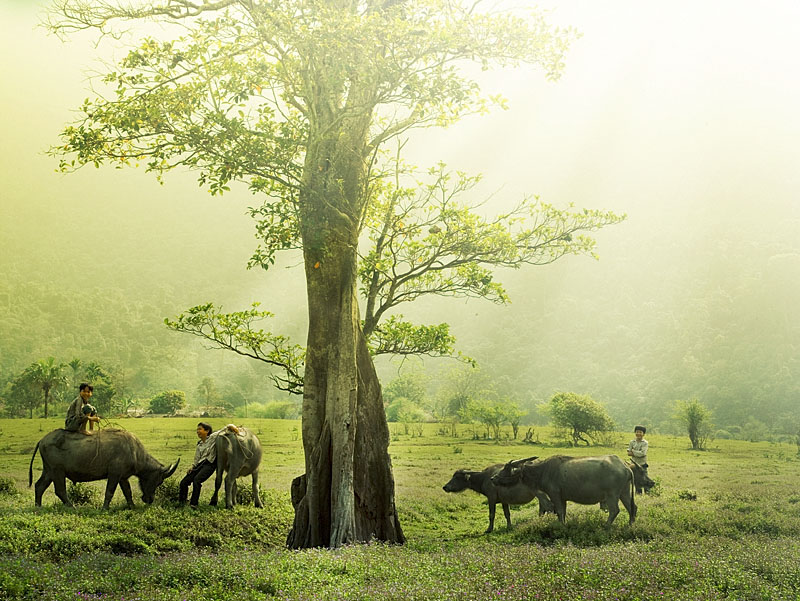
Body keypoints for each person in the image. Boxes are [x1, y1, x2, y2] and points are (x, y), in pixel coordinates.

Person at [179, 422, 241, 507]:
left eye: (200, 429)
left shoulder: (212, 438)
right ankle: (182, 501)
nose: (197, 431)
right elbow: (197, 458)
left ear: (207, 431)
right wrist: (192, 467)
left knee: (197, 480)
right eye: (197, 429)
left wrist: (232, 426)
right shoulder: (199, 444)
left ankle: (194, 504)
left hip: (209, 465)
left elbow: (223, 430)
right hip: (199, 465)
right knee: (184, 482)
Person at [627, 425, 649, 494]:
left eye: (640, 432)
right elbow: (628, 453)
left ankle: (648, 493)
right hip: (633, 465)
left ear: (643, 434)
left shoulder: (645, 443)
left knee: (644, 479)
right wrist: (636, 453)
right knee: (636, 480)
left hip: (642, 464)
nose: (638, 434)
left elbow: (643, 453)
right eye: (637, 432)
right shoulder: (632, 442)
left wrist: (633, 451)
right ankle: (638, 493)